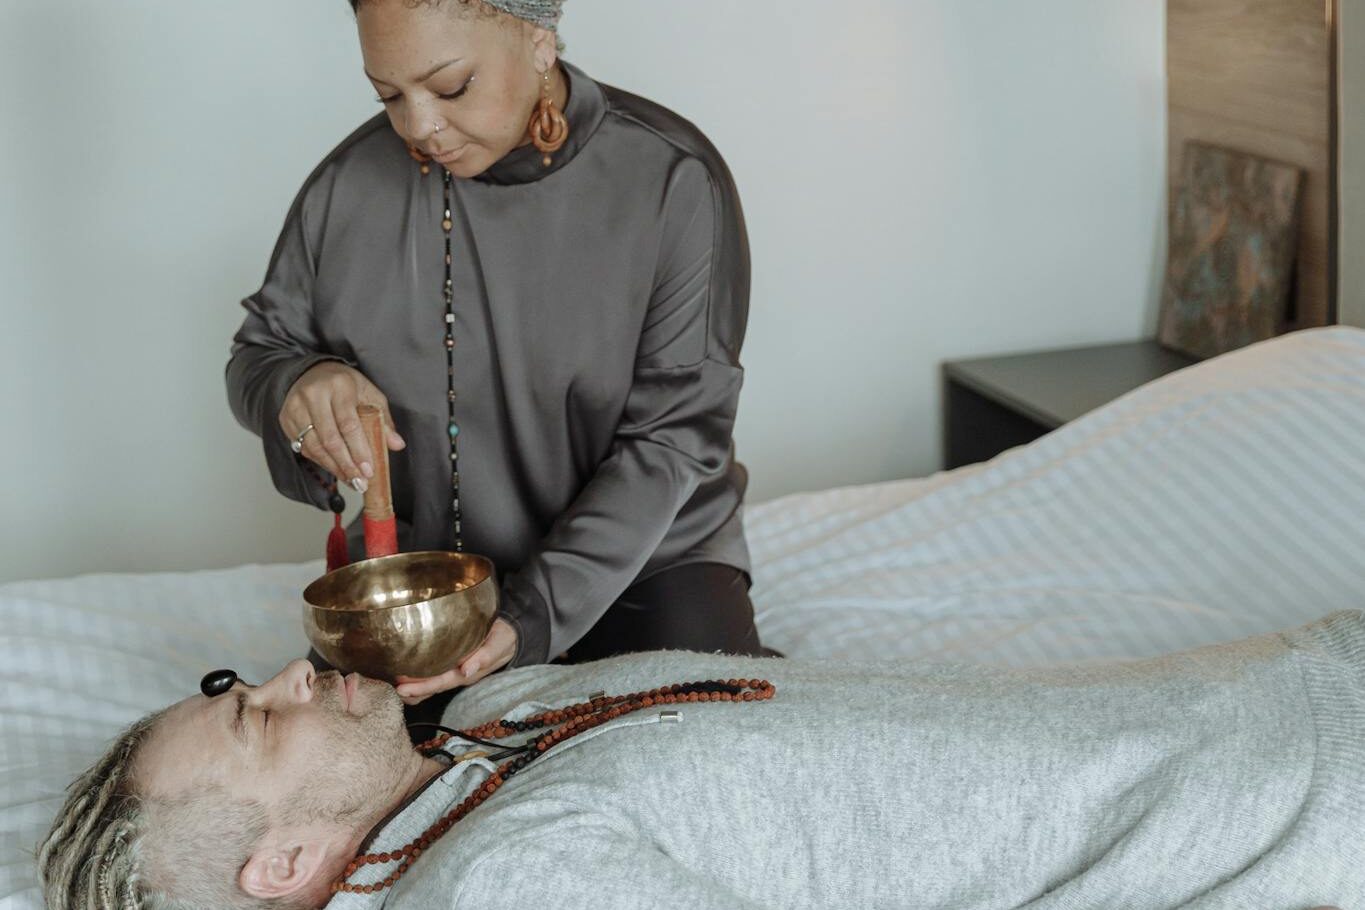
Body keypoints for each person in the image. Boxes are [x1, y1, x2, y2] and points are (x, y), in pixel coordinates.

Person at [223, 0, 774, 733]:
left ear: (539, 42)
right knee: (347, 785)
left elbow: (674, 437)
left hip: (647, 564)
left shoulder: (670, 178)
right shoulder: (347, 185)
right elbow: (260, 352)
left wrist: (530, 613)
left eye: (448, 88)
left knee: (716, 744)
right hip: (427, 587)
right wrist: (299, 385)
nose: (417, 126)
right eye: (388, 95)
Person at [37, 611, 1365, 909]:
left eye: (237, 685)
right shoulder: (501, 887)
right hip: (1302, 797)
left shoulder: (486, 737)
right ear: (277, 866)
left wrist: (414, 711)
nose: (281, 675)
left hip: (1285, 679)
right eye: (257, 720)